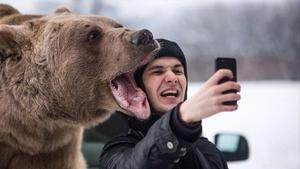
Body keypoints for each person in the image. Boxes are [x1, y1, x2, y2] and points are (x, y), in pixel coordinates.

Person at [99, 39, 241, 169]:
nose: (172, 77)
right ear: (138, 86)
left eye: (178, 71)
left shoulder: (209, 152)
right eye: (158, 71)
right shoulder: (115, 152)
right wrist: (180, 120)